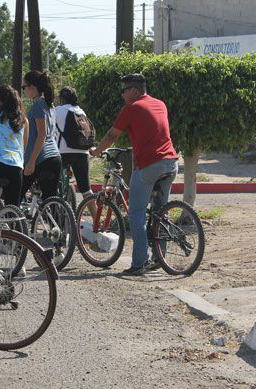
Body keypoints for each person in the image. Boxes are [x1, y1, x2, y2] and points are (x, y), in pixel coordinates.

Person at [89, 73, 179, 275]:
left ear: (134, 90)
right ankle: (160, 257)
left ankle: (139, 262)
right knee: (160, 211)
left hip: (150, 166)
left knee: (136, 213)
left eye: (124, 90)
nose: (122, 95)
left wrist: (96, 151)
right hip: (171, 163)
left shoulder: (131, 108)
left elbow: (113, 135)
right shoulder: (160, 104)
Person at [20, 70, 63, 201]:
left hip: (41, 159)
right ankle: (54, 222)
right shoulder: (49, 105)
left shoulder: (38, 105)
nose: (23, 91)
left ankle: (14, 222)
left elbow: (42, 135)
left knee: (14, 195)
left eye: (24, 87)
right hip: (54, 157)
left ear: (32, 87)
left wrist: (31, 161)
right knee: (50, 203)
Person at [55, 86, 93, 201]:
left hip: (63, 152)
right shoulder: (81, 111)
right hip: (83, 152)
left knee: (55, 186)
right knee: (86, 190)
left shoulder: (58, 110)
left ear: (62, 99)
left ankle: (56, 211)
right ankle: (95, 217)